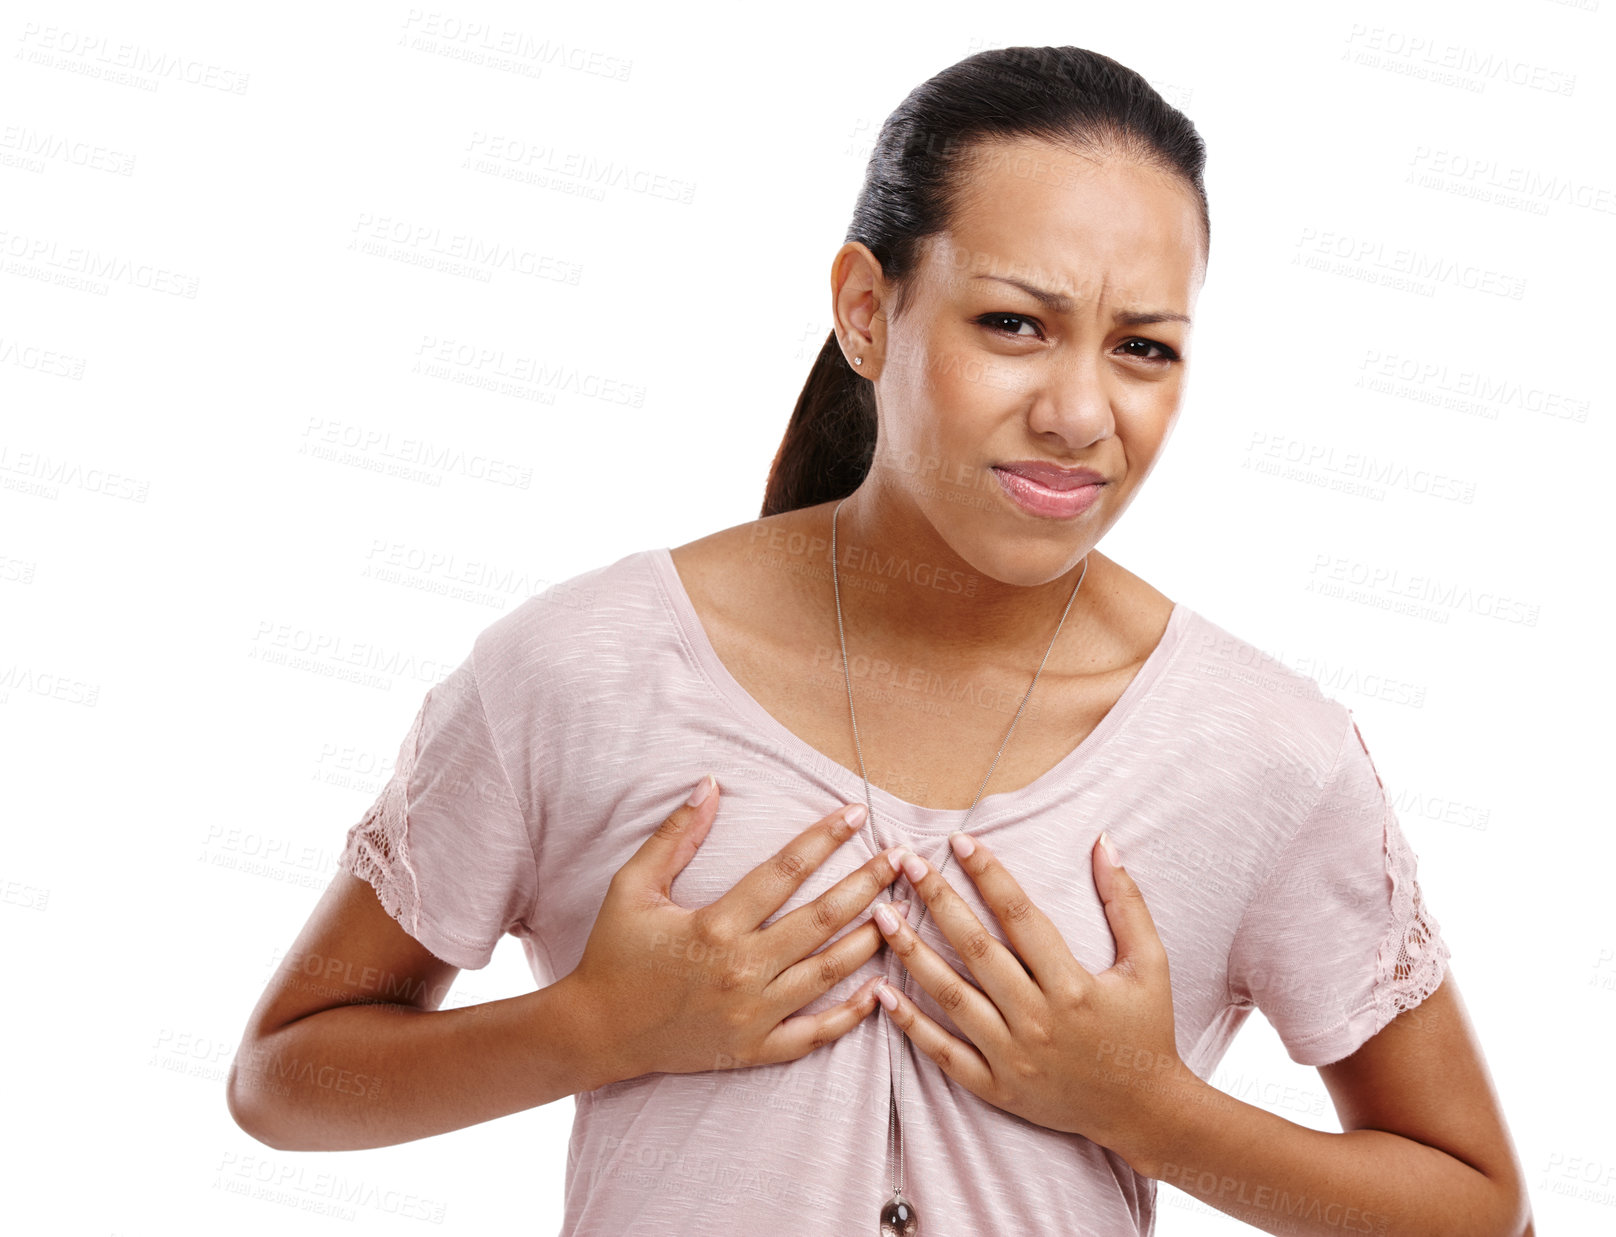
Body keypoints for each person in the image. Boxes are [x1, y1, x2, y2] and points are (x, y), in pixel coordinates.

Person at [226, 45, 1533, 1236]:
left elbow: (1481, 1213)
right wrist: (594, 1023)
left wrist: (1152, 1111)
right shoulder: (580, 670)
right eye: (1012, 323)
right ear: (868, 308)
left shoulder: (1266, 753)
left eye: (1143, 348)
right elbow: (285, 1080)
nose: (1082, 411)